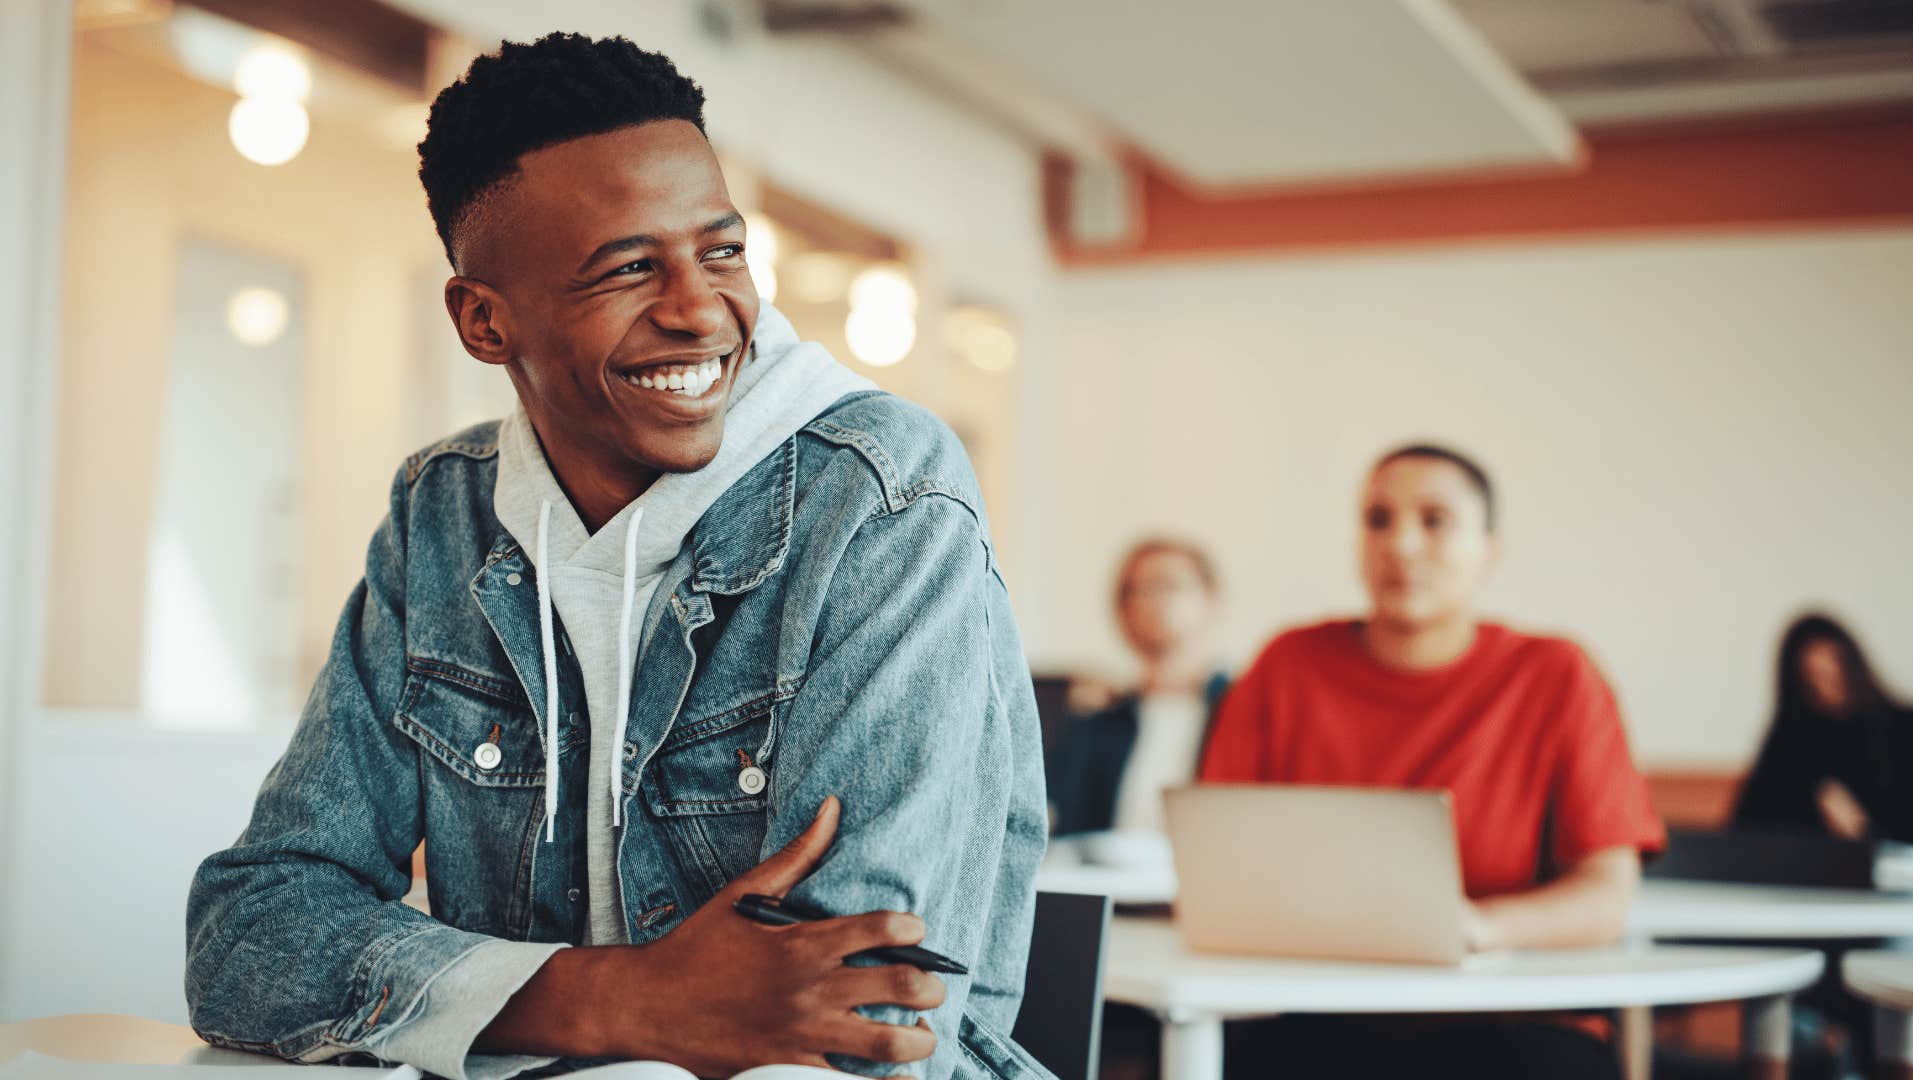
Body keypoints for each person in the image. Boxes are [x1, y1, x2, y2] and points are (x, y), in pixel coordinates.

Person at [184, 33, 1049, 1080]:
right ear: (484, 322)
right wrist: (620, 1000)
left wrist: (496, 1002)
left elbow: (867, 1030)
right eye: (630, 268)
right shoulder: (444, 514)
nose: (700, 310)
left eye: (722, 251)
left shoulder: (880, 495)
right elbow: (249, 933)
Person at [1199, 444, 1666, 1080]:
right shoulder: (1287, 666)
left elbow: (1606, 895)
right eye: (1378, 520)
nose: (1402, 545)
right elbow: (1221, 861)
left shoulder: (1557, 676)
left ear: (1490, 552)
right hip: (1320, 1012)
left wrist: (1481, 926)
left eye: (1435, 520)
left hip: (1510, 1020)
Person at [1047, 538, 1231, 847]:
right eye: (1132, 590)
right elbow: (1066, 827)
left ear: (1212, 600)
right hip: (1111, 888)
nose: (1147, 600)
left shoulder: (1244, 711)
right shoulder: (1097, 720)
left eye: (1166, 585)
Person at [1734, 613, 1913, 844]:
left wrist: (1865, 829)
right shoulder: (1788, 744)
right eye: (1815, 677)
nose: (1830, 687)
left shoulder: (1904, 730)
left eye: (1835, 670)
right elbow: (1747, 832)